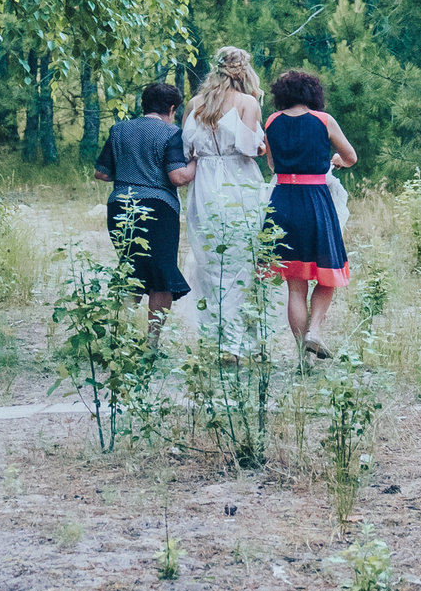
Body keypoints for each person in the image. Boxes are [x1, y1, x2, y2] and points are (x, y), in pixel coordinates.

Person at [260, 68, 358, 359]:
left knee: (295, 286)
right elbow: (350, 157)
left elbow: (273, 166)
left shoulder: (272, 122)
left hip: (282, 201)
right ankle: (314, 332)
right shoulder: (324, 121)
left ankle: (302, 355)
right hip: (315, 201)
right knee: (328, 275)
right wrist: (335, 161)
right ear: (312, 93)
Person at [178, 46, 269, 358]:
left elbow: (186, 150)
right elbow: (247, 148)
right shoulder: (247, 102)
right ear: (243, 71)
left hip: (204, 183)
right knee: (242, 258)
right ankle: (239, 341)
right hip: (238, 181)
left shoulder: (194, 103)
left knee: (210, 260)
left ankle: (219, 338)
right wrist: (260, 146)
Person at [91, 82, 198, 341]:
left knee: (131, 268)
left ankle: (120, 335)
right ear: (172, 108)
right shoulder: (171, 133)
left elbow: (101, 173)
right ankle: (152, 340)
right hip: (157, 210)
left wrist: (129, 171)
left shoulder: (119, 130)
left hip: (120, 206)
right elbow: (178, 176)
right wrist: (196, 161)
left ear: (144, 104)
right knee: (162, 273)